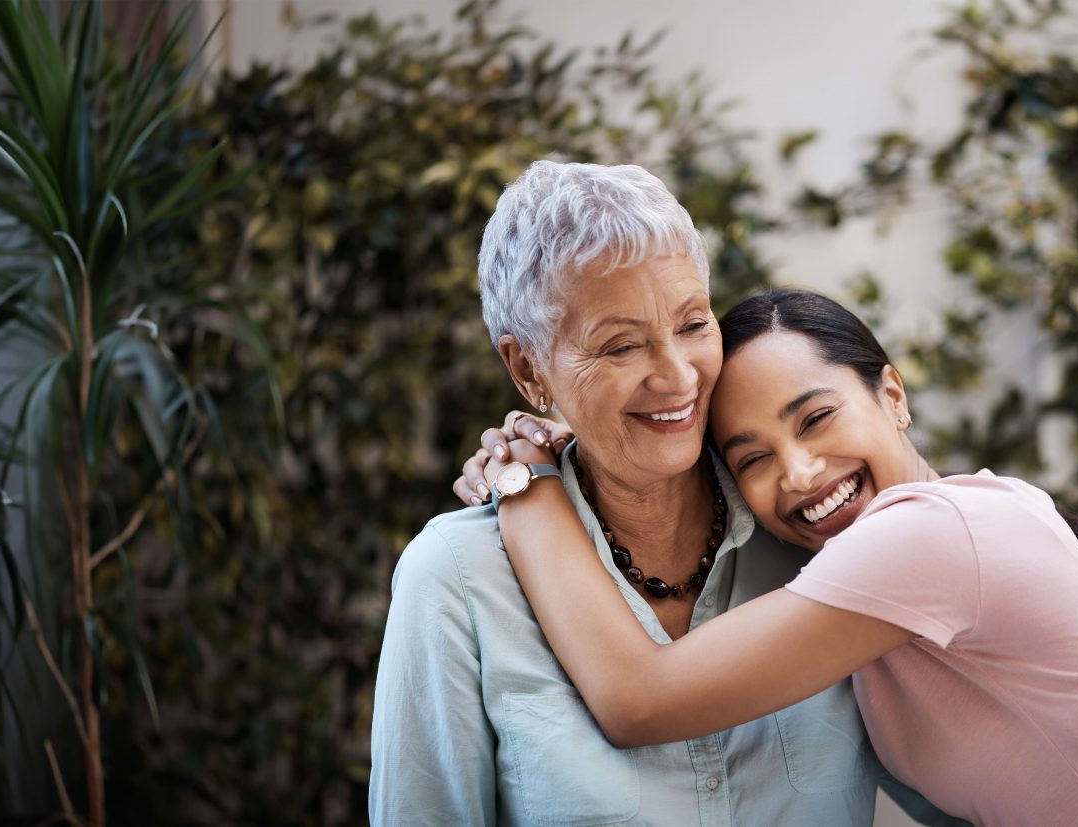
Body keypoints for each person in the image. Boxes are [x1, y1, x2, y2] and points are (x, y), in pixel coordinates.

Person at [466, 289, 1078, 826]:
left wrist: (529, 480)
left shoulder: (933, 536)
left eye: (815, 417)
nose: (798, 473)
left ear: (892, 394)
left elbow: (638, 700)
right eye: (752, 458)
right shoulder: (853, 602)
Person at [370, 163, 899, 826]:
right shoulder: (456, 578)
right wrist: (524, 477)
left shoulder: (806, 524)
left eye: (692, 324)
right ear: (528, 368)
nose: (677, 376)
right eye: (621, 345)